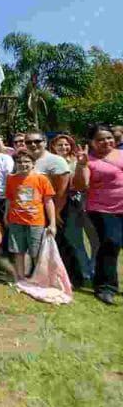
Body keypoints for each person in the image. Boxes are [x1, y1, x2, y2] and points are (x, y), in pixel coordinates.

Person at [74, 124, 123, 305]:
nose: (106, 142)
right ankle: (105, 288)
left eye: (109, 137)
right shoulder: (90, 160)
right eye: (100, 139)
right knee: (111, 242)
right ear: (92, 142)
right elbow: (80, 186)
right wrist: (81, 165)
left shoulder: (121, 154)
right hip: (102, 209)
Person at [5, 151, 56, 282]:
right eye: (20, 162)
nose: (23, 164)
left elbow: (48, 202)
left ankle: (39, 278)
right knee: (18, 251)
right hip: (16, 221)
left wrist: (52, 223)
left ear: (33, 163)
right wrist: (6, 215)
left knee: (36, 252)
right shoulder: (11, 179)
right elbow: (9, 200)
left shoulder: (41, 179)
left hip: (36, 221)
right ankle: (20, 277)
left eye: (27, 161)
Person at [51, 134, 94, 288]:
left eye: (66, 145)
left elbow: (84, 184)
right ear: (53, 146)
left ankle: (85, 273)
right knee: (58, 241)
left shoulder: (76, 161)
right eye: (60, 145)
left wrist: (81, 165)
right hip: (52, 203)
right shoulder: (49, 161)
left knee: (75, 240)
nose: (64, 147)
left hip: (71, 204)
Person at [27, 131, 71, 225]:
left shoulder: (56, 161)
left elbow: (62, 191)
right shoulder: (25, 161)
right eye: (29, 142)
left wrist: (56, 212)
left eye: (37, 141)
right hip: (32, 211)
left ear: (45, 142)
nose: (33, 144)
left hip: (52, 210)